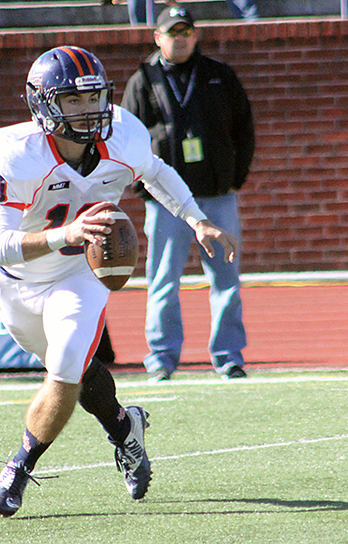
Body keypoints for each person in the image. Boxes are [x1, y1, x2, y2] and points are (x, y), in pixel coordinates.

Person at [0, 45, 238, 517]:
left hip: (83, 271)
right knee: (76, 372)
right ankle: (124, 427)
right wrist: (67, 233)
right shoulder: (14, 152)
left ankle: (18, 467)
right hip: (19, 281)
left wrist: (196, 219)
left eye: (93, 97)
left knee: (65, 367)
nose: (87, 110)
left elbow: (156, 172)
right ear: (42, 104)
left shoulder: (123, 135)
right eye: (72, 100)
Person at [121, 6, 255, 382]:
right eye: (172, 32)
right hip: (166, 204)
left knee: (226, 280)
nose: (179, 39)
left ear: (195, 35)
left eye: (186, 31)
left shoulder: (219, 75)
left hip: (216, 196)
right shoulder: (143, 80)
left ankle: (228, 356)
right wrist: (143, 188)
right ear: (157, 37)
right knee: (163, 281)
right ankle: (161, 358)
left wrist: (235, 178)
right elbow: (128, 139)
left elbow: (244, 129)